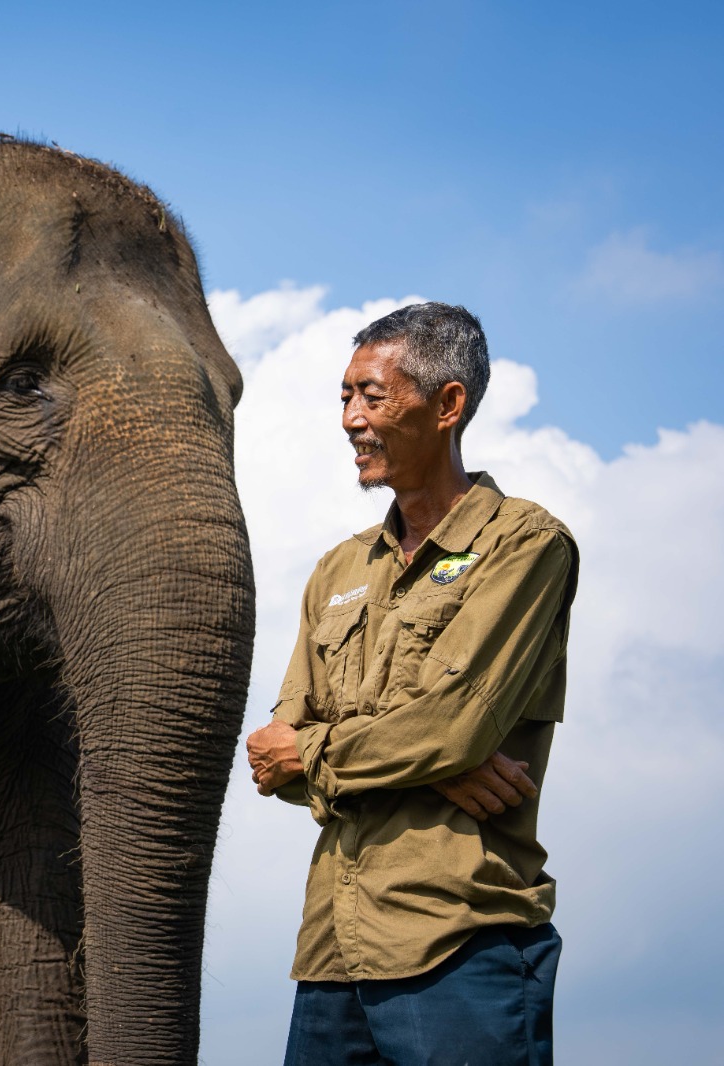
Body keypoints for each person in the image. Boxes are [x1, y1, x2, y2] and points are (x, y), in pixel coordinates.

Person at [245, 302, 577, 1066]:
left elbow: (454, 723)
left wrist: (343, 752)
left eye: (372, 395)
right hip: (330, 953)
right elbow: (272, 757)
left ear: (448, 406)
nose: (350, 419)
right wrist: (433, 761)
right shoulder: (336, 568)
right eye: (344, 396)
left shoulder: (526, 545)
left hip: (463, 942)